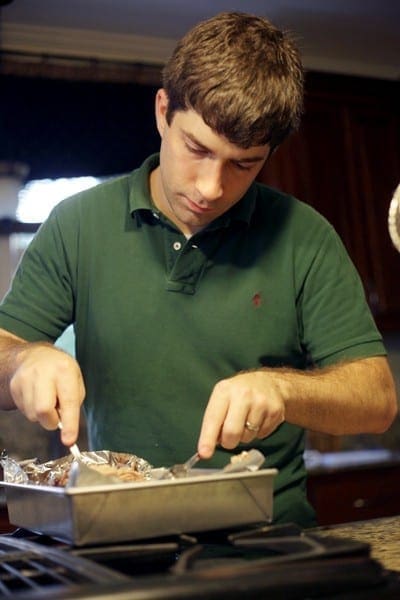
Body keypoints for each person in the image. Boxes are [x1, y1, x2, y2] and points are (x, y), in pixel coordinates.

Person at [0, 11, 397, 527]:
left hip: (269, 544)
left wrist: (281, 390)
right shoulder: (77, 223)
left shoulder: (305, 236)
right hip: (120, 538)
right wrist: (25, 361)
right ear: (163, 111)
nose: (211, 188)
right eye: (197, 149)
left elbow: (377, 401)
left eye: (243, 163)